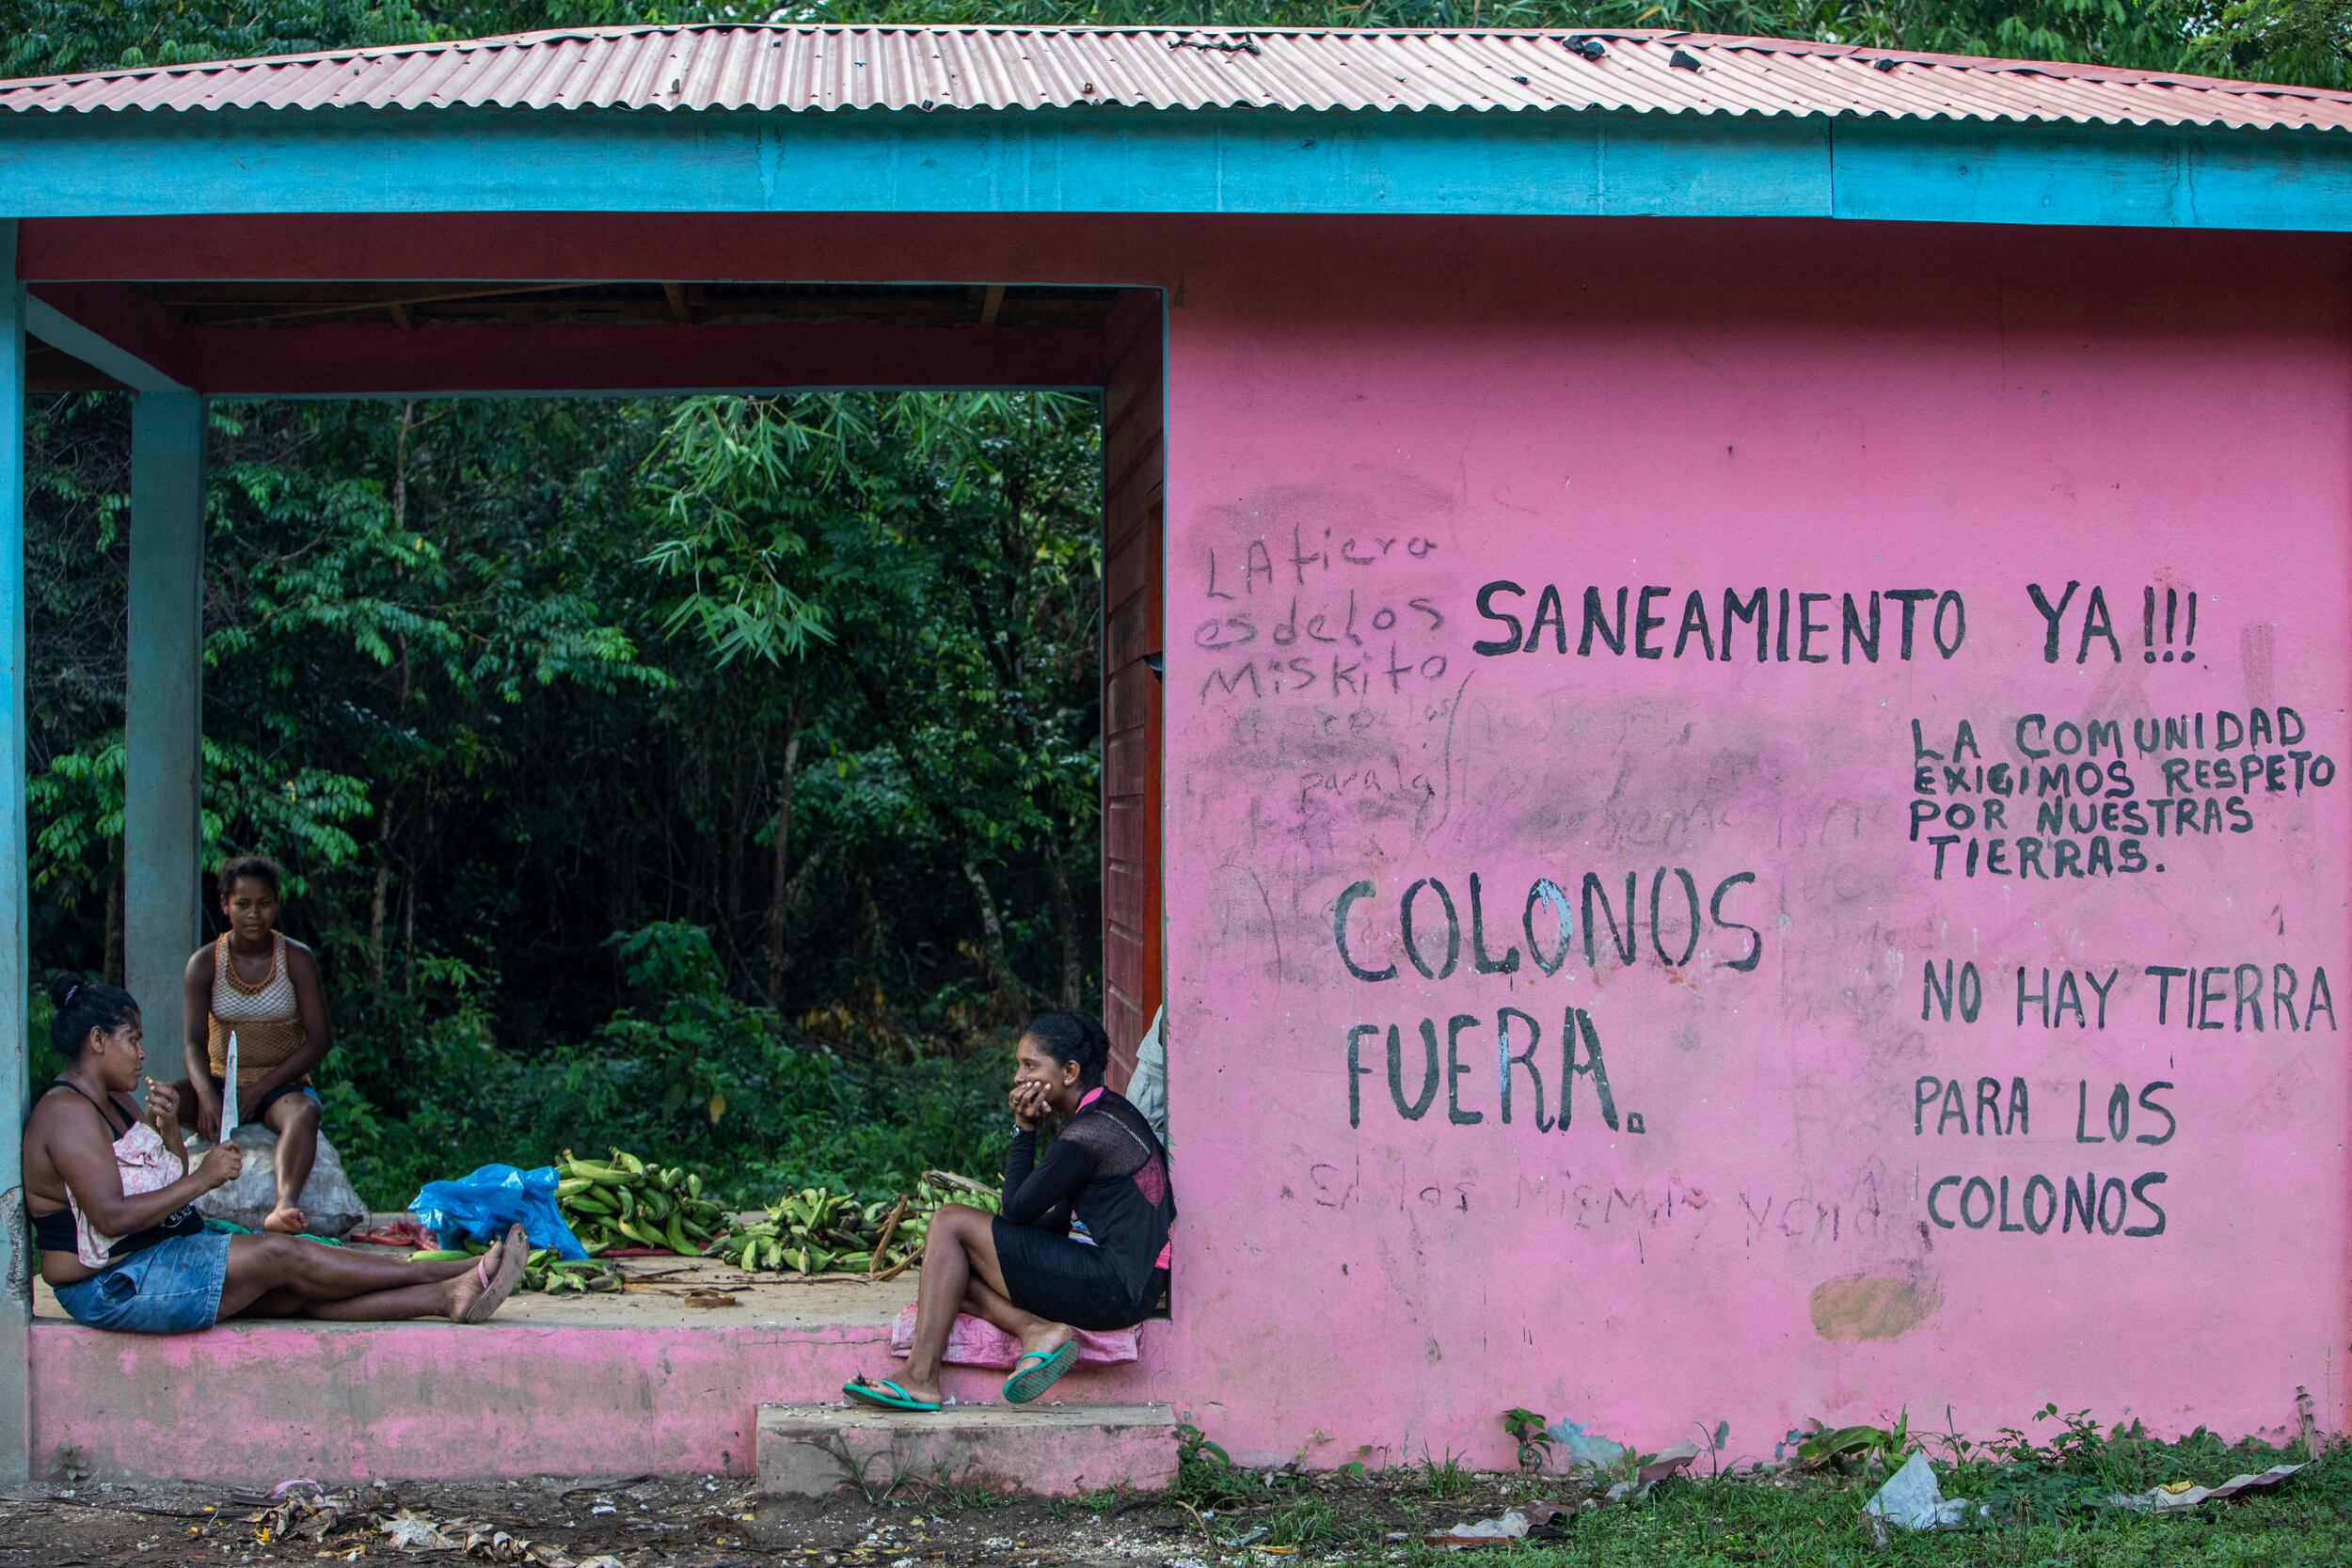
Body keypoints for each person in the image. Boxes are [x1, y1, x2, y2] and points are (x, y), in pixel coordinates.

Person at [24, 974, 528, 1333]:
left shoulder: (115, 1099)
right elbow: (111, 1217)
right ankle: (449, 1270)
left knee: (293, 1291)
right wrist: (203, 1177)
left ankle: (448, 1296)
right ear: (97, 1040)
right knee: (282, 1253)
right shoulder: (66, 1114)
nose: (142, 1053)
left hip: (152, 1256)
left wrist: (170, 1132)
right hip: (110, 1286)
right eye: (132, 1040)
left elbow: (164, 1183)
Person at [845, 1011, 1173, 1412]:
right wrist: (998, 1246)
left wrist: (1024, 1127)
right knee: (952, 1269)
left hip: (1115, 1289)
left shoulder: (1087, 1135)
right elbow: (1058, 1220)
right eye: (1019, 1065)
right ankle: (1035, 1330)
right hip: (1129, 1285)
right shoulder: (1108, 1113)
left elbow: (1016, 1210)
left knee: (949, 1222)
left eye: (1030, 1065)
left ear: (1069, 1071)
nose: (1019, 1077)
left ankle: (919, 1377)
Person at [177, 856, 331, 1234]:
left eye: (263, 904)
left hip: (280, 1087)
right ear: (224, 905)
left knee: (305, 1113)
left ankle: (284, 1204)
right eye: (242, 904)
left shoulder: (296, 959)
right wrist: (207, 1095)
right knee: (162, 1105)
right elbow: (193, 1042)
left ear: (276, 905)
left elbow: (320, 1040)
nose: (253, 914)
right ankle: (157, 1200)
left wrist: (260, 1089)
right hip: (220, 1081)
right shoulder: (205, 963)